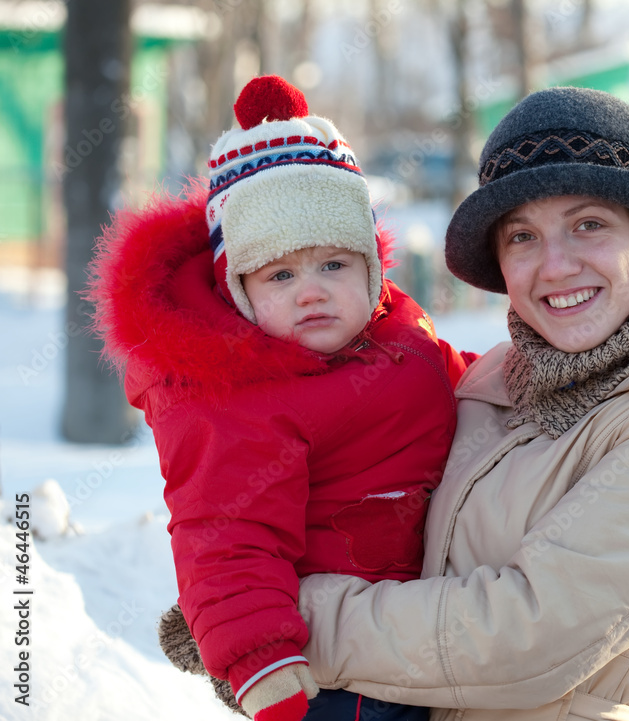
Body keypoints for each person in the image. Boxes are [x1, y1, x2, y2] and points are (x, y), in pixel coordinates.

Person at [294, 86, 629, 721]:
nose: (555, 265)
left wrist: (288, 627)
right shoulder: (497, 378)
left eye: (589, 225)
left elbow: (524, 638)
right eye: (522, 236)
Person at [88, 76, 474, 721]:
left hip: (422, 623)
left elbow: (459, 380)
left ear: (373, 269)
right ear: (238, 291)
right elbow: (226, 534)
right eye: (281, 275)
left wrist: (528, 376)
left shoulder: (400, 330)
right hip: (333, 661)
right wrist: (259, 657)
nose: (312, 292)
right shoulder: (235, 400)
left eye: (334, 265)